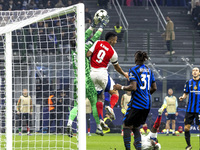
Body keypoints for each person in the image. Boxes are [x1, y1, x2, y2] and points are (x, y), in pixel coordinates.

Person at [66, 11, 110, 137]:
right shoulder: (84, 49)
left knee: (76, 104)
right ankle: (98, 128)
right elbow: (94, 38)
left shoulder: (73, 53)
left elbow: (85, 36)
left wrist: (92, 25)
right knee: (94, 102)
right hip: (87, 80)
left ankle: (69, 124)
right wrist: (101, 26)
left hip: (77, 80)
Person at [113, 51, 157, 150]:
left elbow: (133, 87)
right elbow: (154, 88)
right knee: (136, 126)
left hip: (137, 103)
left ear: (136, 58)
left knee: (126, 125)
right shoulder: (149, 70)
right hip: (147, 104)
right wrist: (145, 94)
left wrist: (121, 87)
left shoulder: (133, 70)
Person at [86, 31, 129, 122]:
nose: (116, 42)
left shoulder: (98, 42)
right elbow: (116, 67)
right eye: (115, 40)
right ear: (111, 40)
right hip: (102, 74)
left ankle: (101, 120)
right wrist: (124, 74)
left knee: (99, 97)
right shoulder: (113, 53)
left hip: (92, 74)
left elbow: (88, 54)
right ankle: (111, 107)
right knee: (115, 93)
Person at [179, 67, 200, 150]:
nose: (195, 72)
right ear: (192, 73)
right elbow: (185, 93)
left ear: (199, 73)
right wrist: (182, 97)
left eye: (196, 70)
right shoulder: (188, 82)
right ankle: (189, 145)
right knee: (186, 128)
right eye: (193, 71)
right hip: (190, 109)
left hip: (199, 110)